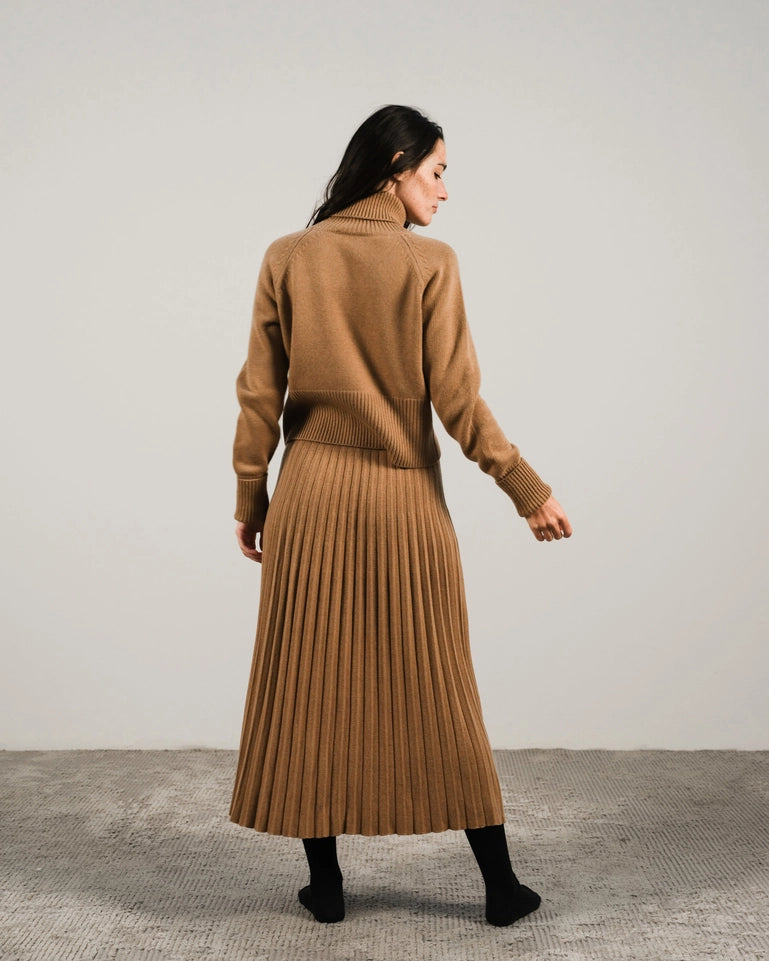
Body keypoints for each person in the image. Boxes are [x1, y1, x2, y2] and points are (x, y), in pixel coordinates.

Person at [229, 104, 572, 927]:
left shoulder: (288, 255)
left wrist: (251, 498)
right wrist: (525, 487)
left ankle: (327, 888)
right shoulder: (429, 264)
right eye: (437, 172)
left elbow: (257, 395)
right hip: (403, 502)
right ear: (395, 166)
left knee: (309, 687)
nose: (444, 191)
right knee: (439, 687)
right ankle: (499, 887)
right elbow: (458, 401)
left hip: (309, 499)